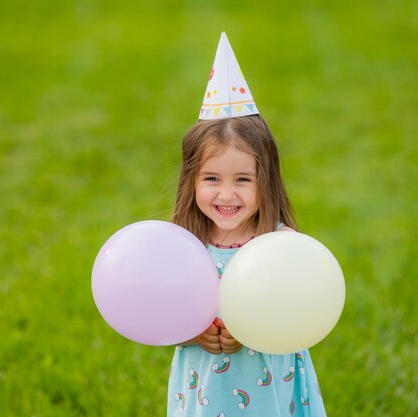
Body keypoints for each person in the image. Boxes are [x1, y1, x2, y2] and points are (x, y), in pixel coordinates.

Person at [166, 33, 327, 417]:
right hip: (205, 390)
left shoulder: (281, 245)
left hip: (269, 390)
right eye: (211, 179)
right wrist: (197, 334)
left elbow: (303, 311)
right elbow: (164, 318)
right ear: (190, 180)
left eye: (242, 179)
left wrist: (253, 327)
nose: (226, 195)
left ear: (265, 179)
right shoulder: (183, 248)